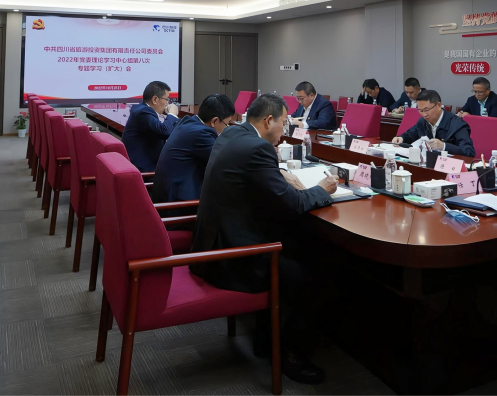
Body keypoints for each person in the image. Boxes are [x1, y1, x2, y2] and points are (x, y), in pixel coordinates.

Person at [191, 94, 338, 384]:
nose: (285, 129)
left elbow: (250, 173)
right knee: (308, 275)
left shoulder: (233, 133)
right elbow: (294, 203)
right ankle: (286, 352)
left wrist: (278, 173)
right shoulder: (258, 148)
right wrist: (323, 189)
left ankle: (264, 337)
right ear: (269, 121)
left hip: (217, 240)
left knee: (297, 247)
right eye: (284, 122)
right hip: (232, 257)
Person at [153, 94, 236, 204]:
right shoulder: (201, 134)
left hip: (168, 194)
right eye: (227, 123)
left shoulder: (188, 122)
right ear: (214, 121)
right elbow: (224, 162)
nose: (227, 127)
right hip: (180, 204)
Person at [391, 90, 475, 156]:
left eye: (427, 110)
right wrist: (401, 138)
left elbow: (469, 151)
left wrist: (444, 146)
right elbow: (410, 134)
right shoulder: (423, 121)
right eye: (420, 110)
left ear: (439, 105)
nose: (424, 114)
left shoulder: (457, 124)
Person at [123, 80, 180, 171]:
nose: (167, 103)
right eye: (166, 99)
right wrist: (172, 113)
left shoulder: (141, 108)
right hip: (144, 170)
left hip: (146, 164)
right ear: (155, 99)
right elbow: (164, 131)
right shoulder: (143, 112)